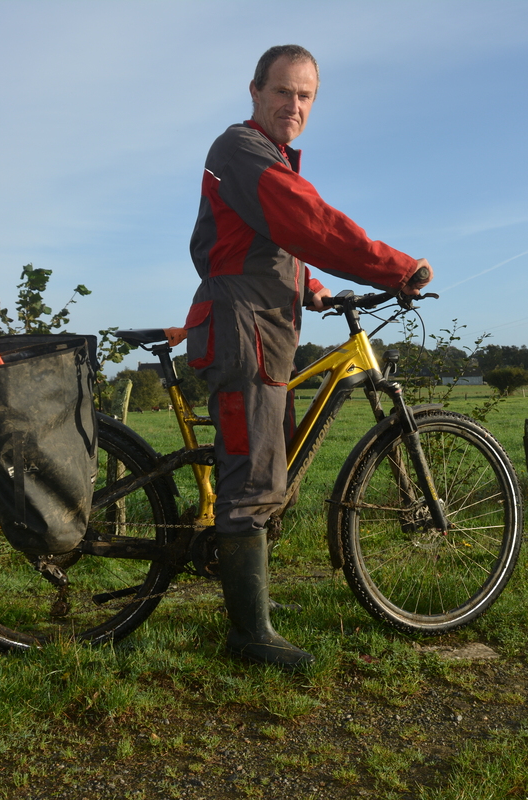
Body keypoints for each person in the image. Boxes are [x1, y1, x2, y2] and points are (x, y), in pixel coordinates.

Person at [184, 44, 433, 669]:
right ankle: (248, 637)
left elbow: (262, 241)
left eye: (305, 96)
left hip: (264, 325)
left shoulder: (265, 157)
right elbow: (307, 223)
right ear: (255, 91)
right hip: (244, 328)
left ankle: (254, 607)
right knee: (252, 476)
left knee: (265, 463)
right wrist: (394, 267)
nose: (293, 105)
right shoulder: (241, 150)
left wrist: (312, 289)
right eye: (282, 92)